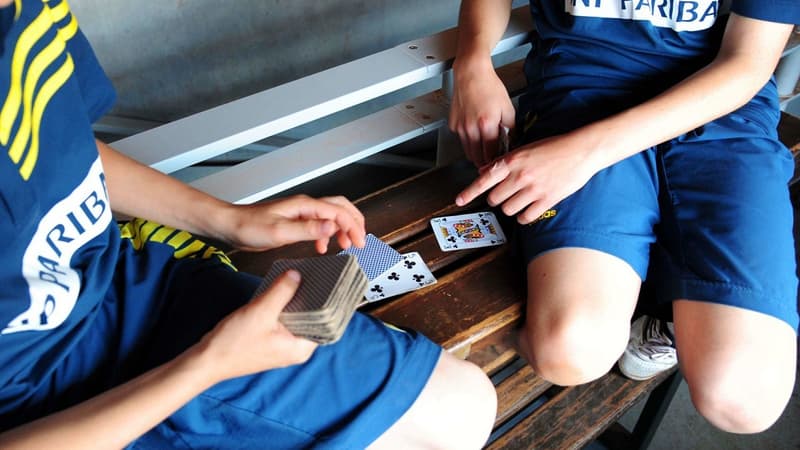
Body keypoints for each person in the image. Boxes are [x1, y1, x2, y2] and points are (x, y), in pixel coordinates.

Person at [0, 0, 498, 448]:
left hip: (132, 289)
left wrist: (231, 221)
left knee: (466, 402)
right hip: (52, 409)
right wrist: (208, 364)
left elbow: (67, 149)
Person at [450, 0, 799, 434]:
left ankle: (663, 310)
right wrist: (473, 62)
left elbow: (747, 63)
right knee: (569, 350)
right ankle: (642, 283)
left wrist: (585, 153)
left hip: (720, 103)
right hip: (585, 87)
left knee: (745, 399)